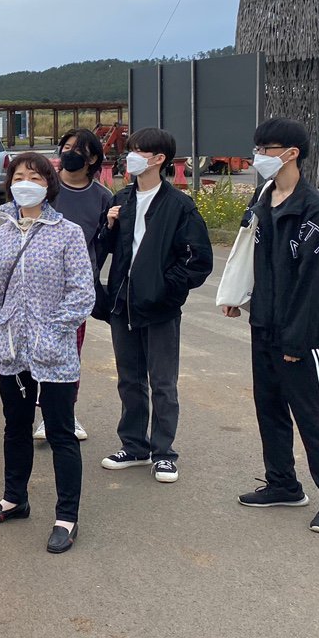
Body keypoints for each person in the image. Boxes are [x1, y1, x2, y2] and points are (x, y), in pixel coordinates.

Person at [222, 118, 319, 533]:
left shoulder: (317, 211)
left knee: (314, 417)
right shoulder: (265, 200)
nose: (258, 155)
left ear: (292, 153)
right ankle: (282, 483)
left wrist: (298, 341)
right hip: (264, 324)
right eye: (257, 146)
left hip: (302, 335)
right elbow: (252, 256)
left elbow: (318, 288)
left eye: (268, 148)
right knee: (270, 410)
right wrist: (239, 297)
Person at [0, 154, 95, 553]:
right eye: (18, 176)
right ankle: (15, 498)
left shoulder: (68, 233)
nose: (25, 182)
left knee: (61, 432)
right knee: (15, 425)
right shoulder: (5, 230)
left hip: (54, 351)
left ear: (48, 184)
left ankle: (67, 516)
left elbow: (83, 293)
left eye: (34, 176)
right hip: (11, 347)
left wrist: (52, 332)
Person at [95, 127, 213, 485]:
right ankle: (134, 446)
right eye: (130, 150)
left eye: (137, 151)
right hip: (122, 303)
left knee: (163, 382)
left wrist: (166, 289)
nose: (129, 157)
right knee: (129, 379)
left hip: (159, 308)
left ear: (159, 159)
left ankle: (164, 453)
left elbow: (197, 260)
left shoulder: (179, 205)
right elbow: (105, 250)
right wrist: (109, 226)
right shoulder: (123, 198)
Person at [32, 128, 112, 444]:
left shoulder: (103, 198)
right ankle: (44, 416)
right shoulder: (44, 191)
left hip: (75, 291)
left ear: (93, 158)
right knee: (36, 351)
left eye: (79, 149)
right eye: (66, 146)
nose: (70, 152)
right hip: (37, 286)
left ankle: (64, 414)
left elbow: (104, 246)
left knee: (68, 353)